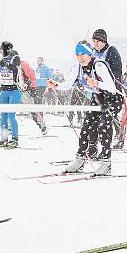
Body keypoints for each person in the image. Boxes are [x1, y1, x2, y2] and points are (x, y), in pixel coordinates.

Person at [49, 41, 117, 175]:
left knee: (104, 125)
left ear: (90, 54)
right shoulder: (77, 67)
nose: (80, 57)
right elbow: (68, 84)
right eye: (77, 54)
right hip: (97, 97)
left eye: (83, 54)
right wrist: (56, 85)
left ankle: (106, 163)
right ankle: (80, 160)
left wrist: (97, 83)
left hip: (112, 98)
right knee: (86, 127)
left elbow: (112, 87)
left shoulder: (98, 65)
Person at [91, 29, 123, 140]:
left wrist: (109, 81)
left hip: (111, 90)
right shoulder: (91, 52)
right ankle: (94, 142)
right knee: (96, 117)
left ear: (104, 41)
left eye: (98, 41)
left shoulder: (111, 51)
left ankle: (116, 133)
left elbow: (118, 70)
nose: (95, 44)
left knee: (107, 116)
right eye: (94, 41)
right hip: (97, 91)